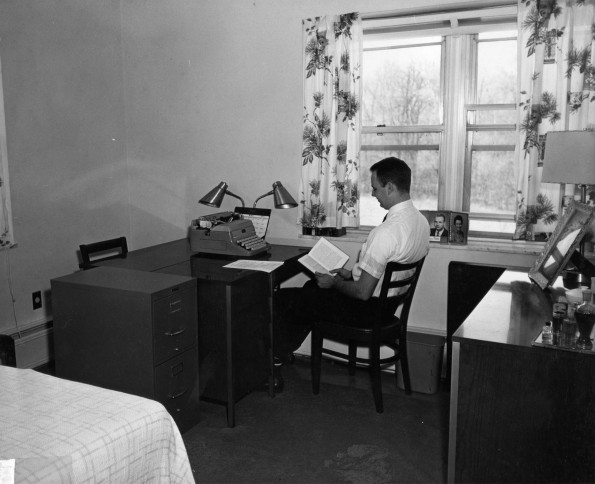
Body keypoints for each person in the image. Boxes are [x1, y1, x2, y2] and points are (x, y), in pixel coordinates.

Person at [271, 157, 430, 392]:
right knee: (309, 291)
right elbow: (384, 276)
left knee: (284, 299)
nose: (373, 194)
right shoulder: (420, 222)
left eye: (375, 188)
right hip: (387, 307)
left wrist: (334, 282)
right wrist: (347, 274)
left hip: (366, 310)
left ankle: (271, 363)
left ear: (390, 187)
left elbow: (363, 292)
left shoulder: (386, 232)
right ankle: (282, 352)